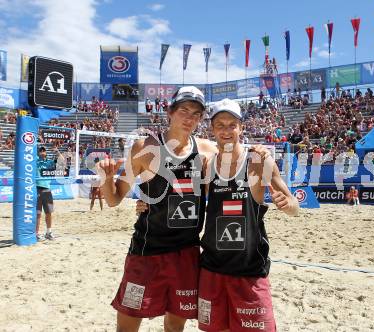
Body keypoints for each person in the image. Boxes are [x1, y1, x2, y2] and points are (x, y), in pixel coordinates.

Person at [97, 86, 216, 332]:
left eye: (196, 113)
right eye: (184, 110)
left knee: (174, 326)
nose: (189, 118)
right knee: (128, 324)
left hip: (186, 252)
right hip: (147, 250)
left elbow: (218, 191)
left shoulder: (207, 151)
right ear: (170, 112)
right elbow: (114, 199)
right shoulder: (144, 147)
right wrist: (106, 179)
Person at [197, 98, 299, 331]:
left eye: (231, 124)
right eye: (220, 125)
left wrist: (287, 204)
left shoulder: (258, 161)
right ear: (212, 129)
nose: (226, 130)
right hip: (212, 268)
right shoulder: (207, 166)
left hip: (250, 271)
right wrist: (146, 203)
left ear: (241, 127)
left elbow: (295, 207)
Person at [36, 146, 62, 241]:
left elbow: (62, 160)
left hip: (47, 189)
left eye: (44, 150)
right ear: (38, 153)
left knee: (49, 212)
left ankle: (48, 232)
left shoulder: (49, 162)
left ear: (46, 152)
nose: (42, 152)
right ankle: (36, 233)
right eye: (41, 151)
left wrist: (57, 151)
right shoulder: (35, 161)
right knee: (38, 213)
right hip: (37, 189)